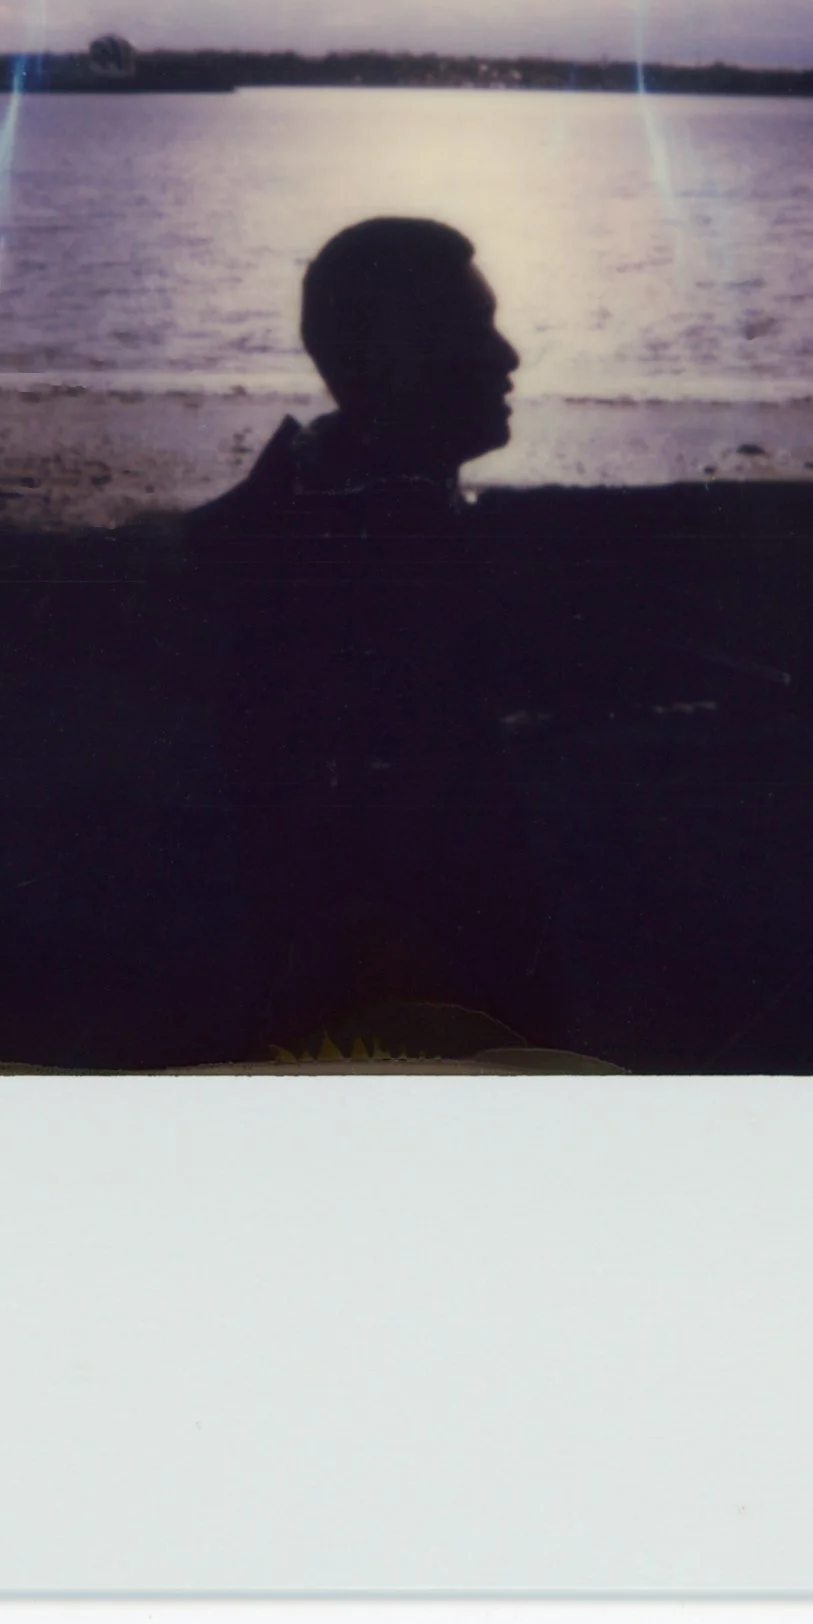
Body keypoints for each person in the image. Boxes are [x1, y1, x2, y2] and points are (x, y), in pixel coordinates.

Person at [188, 218, 563, 1056]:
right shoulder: (358, 559)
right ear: (397, 357)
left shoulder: (350, 511)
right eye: (472, 329)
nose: (507, 358)